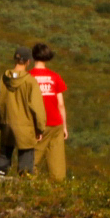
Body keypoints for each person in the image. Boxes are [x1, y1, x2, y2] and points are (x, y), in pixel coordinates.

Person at [0, 46, 45, 176]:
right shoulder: (30, 81)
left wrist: (1, 124)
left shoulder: (3, 79)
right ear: (28, 61)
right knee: (26, 165)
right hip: (26, 128)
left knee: (3, 157)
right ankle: (24, 188)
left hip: (6, 125)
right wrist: (40, 128)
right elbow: (37, 108)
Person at [29, 42, 69, 181]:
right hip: (56, 124)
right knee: (57, 168)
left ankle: (30, 190)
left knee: (31, 163)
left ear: (33, 57)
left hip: (38, 126)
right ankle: (57, 193)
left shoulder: (28, 77)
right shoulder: (55, 77)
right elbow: (61, 104)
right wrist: (64, 126)